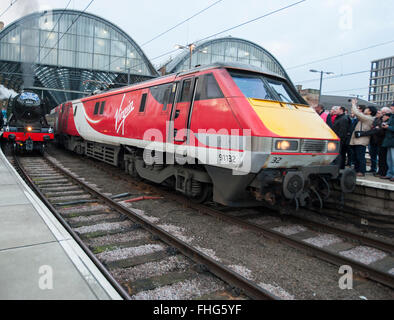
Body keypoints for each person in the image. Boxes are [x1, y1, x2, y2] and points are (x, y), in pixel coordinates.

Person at [349, 99, 376, 177]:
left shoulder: (369, 118)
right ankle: (356, 170)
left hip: (362, 140)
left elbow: (357, 113)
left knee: (360, 156)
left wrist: (353, 104)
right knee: (356, 156)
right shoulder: (365, 117)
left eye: (367, 109)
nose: (365, 110)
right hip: (357, 139)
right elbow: (356, 113)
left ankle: (361, 171)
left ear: (370, 112)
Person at [381, 103, 394, 181]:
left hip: (392, 140)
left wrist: (388, 127)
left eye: (392, 108)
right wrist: (386, 125)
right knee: (389, 159)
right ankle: (389, 174)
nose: (391, 109)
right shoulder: (392, 116)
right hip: (389, 140)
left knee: (393, 158)